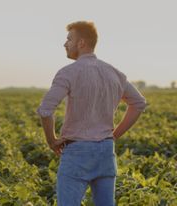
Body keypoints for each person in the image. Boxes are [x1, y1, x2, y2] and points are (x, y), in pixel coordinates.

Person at [36, 21, 146, 206]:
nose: (65, 44)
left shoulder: (68, 72)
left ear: (81, 43)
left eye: (69, 39)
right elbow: (139, 103)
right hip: (105, 152)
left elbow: (46, 110)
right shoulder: (114, 73)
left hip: (77, 152)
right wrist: (114, 135)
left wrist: (51, 140)